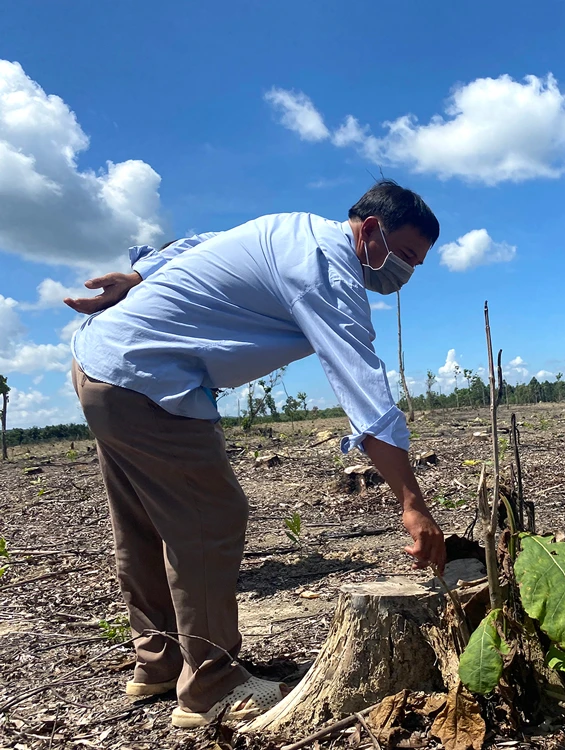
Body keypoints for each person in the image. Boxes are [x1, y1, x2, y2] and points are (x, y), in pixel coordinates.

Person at [64, 180, 447, 728]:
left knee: (143, 523)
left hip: (103, 361)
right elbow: (366, 391)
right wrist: (413, 502)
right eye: (404, 254)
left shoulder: (291, 226)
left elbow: (200, 244)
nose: (404, 272)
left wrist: (141, 276)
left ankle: (159, 662)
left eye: (417, 263)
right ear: (368, 228)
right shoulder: (327, 269)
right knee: (211, 516)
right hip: (150, 380)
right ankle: (212, 684)